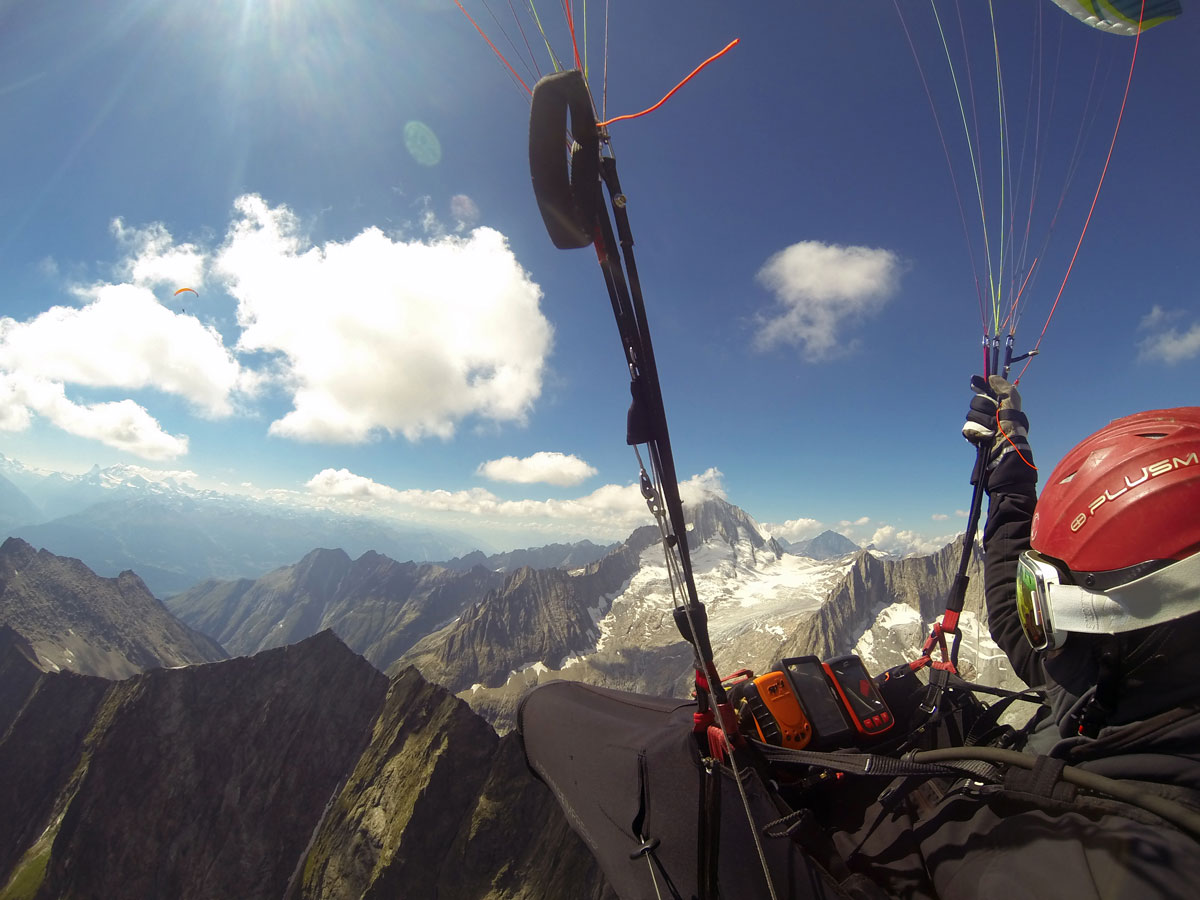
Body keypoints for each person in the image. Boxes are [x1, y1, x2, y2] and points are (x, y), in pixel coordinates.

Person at [828, 380, 1200, 899]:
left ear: (1115, 635)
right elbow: (1008, 613)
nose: (1041, 639)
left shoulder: (1083, 867)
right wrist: (1010, 463)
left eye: (1041, 604)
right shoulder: (1136, 687)